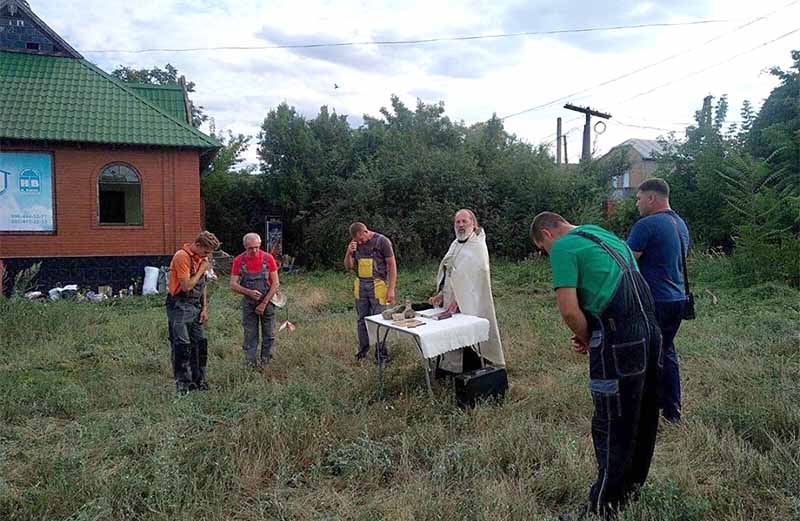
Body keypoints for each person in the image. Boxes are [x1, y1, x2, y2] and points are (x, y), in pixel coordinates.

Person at [531, 212, 661, 519]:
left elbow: (568, 308)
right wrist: (595, 330)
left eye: (542, 249)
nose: (547, 254)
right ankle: (631, 490)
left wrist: (588, 336)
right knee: (642, 416)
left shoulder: (563, 247)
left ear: (547, 235)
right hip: (651, 332)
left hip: (620, 339)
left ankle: (603, 506)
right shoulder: (602, 234)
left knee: (611, 422)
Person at [627, 178, 689, 424]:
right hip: (678, 298)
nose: (637, 204)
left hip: (655, 300)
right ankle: (672, 411)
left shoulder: (647, 225)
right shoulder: (680, 224)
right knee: (667, 352)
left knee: (647, 356)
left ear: (652, 198)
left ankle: (647, 414)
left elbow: (627, 262)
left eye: (639, 198)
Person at [429, 209, 505, 374]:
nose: (461, 225)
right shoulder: (456, 243)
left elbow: (477, 277)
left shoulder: (477, 245)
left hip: (470, 302)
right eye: (458, 222)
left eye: (464, 221)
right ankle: (448, 371)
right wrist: (442, 293)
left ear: (473, 223)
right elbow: (449, 272)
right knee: (449, 335)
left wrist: (460, 300)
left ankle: (469, 375)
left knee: (466, 337)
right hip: (450, 299)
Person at [166, 231, 220, 393]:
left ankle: (199, 381)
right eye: (206, 252)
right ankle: (183, 384)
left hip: (196, 306)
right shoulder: (182, 257)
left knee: (200, 342)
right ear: (197, 245)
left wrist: (204, 308)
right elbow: (186, 286)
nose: (207, 256)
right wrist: (201, 269)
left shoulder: (201, 258)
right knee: (182, 344)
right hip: (179, 305)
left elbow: (202, 285)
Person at [344, 222, 397, 361]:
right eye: (357, 240)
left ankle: (382, 355)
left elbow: (392, 265)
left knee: (380, 320)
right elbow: (348, 267)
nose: (360, 242)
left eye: (361, 239)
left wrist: (391, 289)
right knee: (362, 320)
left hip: (378, 286)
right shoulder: (355, 243)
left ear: (366, 231)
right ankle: (362, 351)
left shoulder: (382, 241)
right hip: (360, 286)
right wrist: (349, 252)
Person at [230, 232, 281, 371]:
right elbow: (233, 284)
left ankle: (266, 364)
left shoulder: (268, 258)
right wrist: (248, 292)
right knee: (250, 335)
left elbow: (276, 283)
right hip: (249, 303)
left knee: (269, 334)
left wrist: (264, 303)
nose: (254, 250)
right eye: (250, 248)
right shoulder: (239, 261)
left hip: (268, 301)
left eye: (256, 247)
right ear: (245, 247)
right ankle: (250, 365)